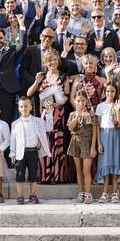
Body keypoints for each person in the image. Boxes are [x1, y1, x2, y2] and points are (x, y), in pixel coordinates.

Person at [27, 48, 70, 184]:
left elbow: (67, 97)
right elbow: (29, 94)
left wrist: (57, 104)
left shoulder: (64, 76)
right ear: (45, 62)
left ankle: (57, 176)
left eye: (54, 59)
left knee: (57, 142)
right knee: (45, 142)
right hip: (44, 115)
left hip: (58, 114)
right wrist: (36, 81)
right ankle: (45, 176)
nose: (52, 62)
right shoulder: (42, 77)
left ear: (58, 61)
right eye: (49, 60)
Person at [9, 97, 51, 205]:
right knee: (19, 175)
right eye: (21, 106)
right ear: (19, 108)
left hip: (33, 152)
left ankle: (32, 195)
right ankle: (20, 196)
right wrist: (12, 153)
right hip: (20, 153)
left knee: (33, 175)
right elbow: (12, 140)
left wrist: (49, 113)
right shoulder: (15, 123)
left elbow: (50, 127)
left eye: (26, 106)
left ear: (31, 107)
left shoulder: (38, 121)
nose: (24, 108)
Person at [0, 29, 24, 127]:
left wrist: (22, 26)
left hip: (7, 91)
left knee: (7, 121)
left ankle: (7, 142)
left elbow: (22, 45)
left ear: (5, 39)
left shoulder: (11, 50)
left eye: (1, 38)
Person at [94, 83, 120, 202]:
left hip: (115, 135)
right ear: (104, 92)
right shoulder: (100, 106)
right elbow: (97, 126)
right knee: (105, 163)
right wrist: (98, 143)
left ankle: (115, 192)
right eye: (107, 91)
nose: (109, 94)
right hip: (104, 135)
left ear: (115, 92)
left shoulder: (119, 105)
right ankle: (105, 192)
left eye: (112, 91)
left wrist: (117, 111)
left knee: (115, 162)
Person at [68, 90, 98, 204]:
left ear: (86, 101)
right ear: (75, 101)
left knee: (86, 170)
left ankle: (88, 193)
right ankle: (81, 192)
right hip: (75, 142)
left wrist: (93, 147)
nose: (80, 103)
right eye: (78, 101)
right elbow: (71, 128)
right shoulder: (72, 114)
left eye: (83, 101)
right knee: (78, 170)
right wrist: (77, 116)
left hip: (87, 143)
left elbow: (95, 131)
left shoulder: (91, 115)